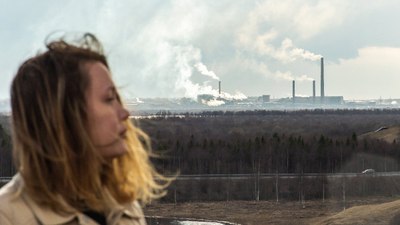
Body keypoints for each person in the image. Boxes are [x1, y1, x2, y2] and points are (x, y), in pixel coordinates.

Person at [0, 33, 169, 225]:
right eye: (108, 99)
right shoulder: (8, 216)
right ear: (64, 115)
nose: (124, 113)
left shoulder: (123, 206)